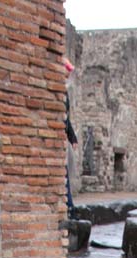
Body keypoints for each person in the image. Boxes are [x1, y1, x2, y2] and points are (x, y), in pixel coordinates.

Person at [63, 58, 79, 219]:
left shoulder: (64, 93)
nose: (68, 76)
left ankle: (70, 207)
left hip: (61, 138)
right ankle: (69, 208)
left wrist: (72, 138)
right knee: (63, 175)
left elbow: (65, 118)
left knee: (64, 175)